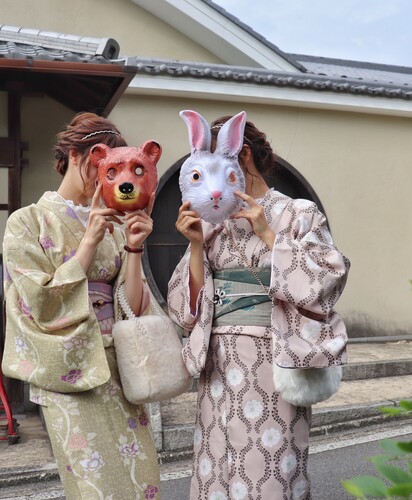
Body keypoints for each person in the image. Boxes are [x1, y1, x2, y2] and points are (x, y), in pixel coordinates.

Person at [167, 115, 350, 499]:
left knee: (270, 470)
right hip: (218, 361)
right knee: (216, 465)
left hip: (273, 357)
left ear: (242, 155)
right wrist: (197, 245)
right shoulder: (211, 222)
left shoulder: (298, 212)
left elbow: (326, 280)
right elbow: (186, 308)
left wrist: (269, 234)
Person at [2, 112, 161, 499]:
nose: (109, 177)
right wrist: (88, 242)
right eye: (101, 165)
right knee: (95, 487)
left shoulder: (116, 225)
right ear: (75, 155)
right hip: (71, 369)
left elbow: (134, 307)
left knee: (142, 480)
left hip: (120, 368)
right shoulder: (28, 221)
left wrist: (135, 247)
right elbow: (38, 301)